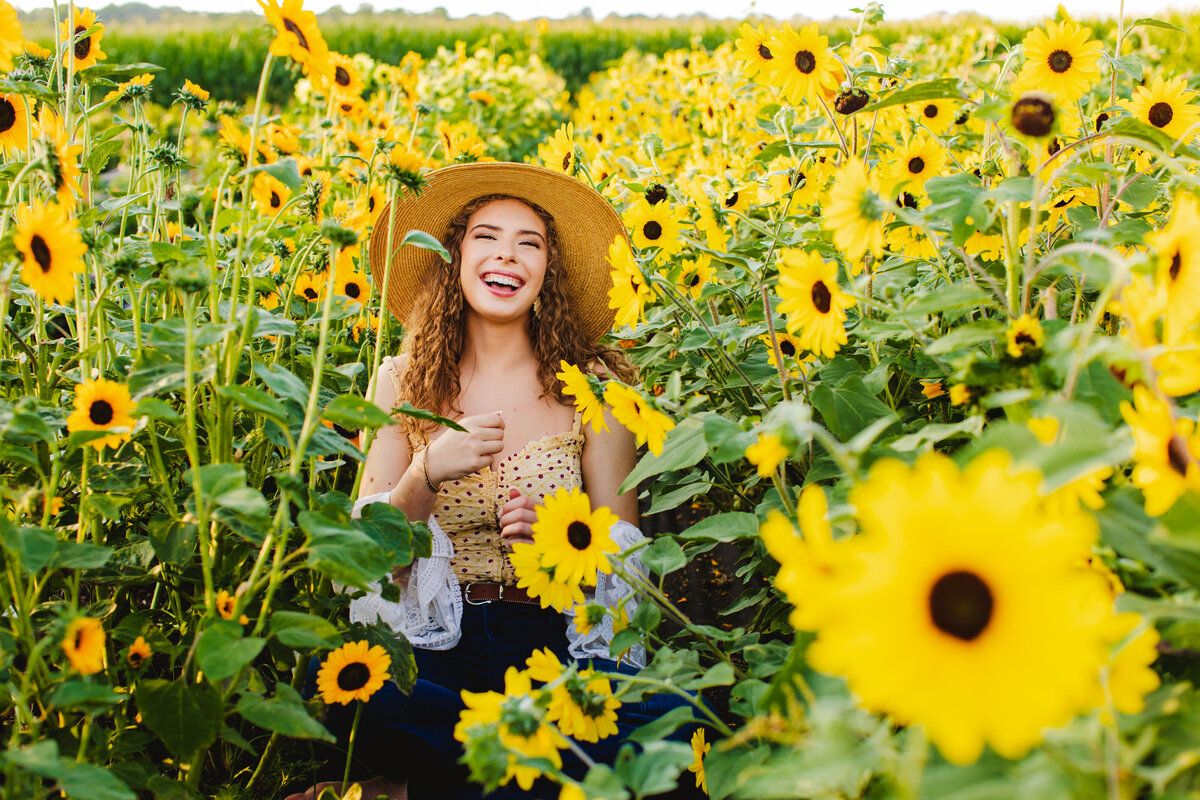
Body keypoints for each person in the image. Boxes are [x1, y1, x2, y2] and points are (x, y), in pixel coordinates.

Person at [286, 162, 665, 800]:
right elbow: (360, 562)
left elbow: (628, 563)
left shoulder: (594, 388)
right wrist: (423, 473)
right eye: (486, 237)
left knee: (670, 730)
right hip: (440, 646)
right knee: (342, 682)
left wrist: (560, 541)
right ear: (454, 257)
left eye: (529, 243)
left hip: (551, 644)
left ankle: (412, 789)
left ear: (549, 271)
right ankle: (525, 765)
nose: (506, 256)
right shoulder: (401, 382)